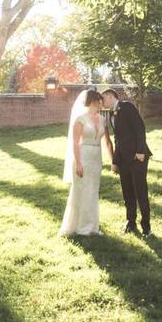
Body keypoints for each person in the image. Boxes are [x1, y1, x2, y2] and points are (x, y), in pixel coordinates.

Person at [59, 89, 114, 236]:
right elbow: (75, 143)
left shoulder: (103, 119)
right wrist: (78, 163)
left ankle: (92, 227)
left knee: (93, 191)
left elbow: (108, 141)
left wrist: (113, 160)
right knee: (81, 191)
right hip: (82, 157)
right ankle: (79, 226)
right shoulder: (80, 119)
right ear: (95, 101)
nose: (103, 103)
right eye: (101, 100)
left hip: (96, 158)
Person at [102, 88, 152, 236]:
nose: (102, 102)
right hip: (123, 160)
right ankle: (131, 222)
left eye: (103, 98)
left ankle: (146, 227)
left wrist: (141, 152)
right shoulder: (112, 113)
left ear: (110, 96)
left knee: (140, 192)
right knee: (127, 193)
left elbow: (140, 128)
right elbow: (118, 140)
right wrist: (115, 161)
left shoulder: (127, 106)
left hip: (138, 158)